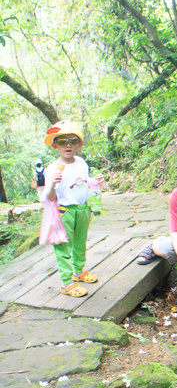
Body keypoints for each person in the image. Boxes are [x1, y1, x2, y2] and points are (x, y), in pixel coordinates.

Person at [43, 120, 103, 297]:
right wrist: (53, 184)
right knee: (63, 248)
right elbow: (49, 197)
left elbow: (82, 183)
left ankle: (78, 272)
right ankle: (66, 283)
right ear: (55, 145)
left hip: (83, 209)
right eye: (62, 141)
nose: (68, 145)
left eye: (73, 141)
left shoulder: (82, 163)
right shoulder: (53, 169)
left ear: (80, 144)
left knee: (80, 243)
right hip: (64, 211)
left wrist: (94, 181)